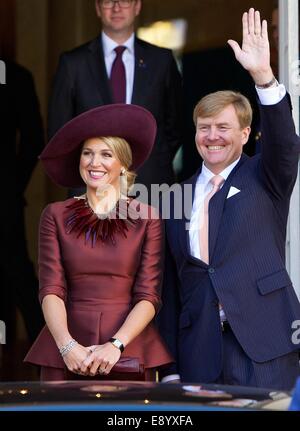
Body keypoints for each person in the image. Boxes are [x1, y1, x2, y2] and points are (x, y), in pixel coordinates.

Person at [158, 8, 300, 390]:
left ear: (246, 133)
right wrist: (170, 365)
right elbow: (171, 284)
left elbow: (285, 144)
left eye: (223, 127)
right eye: (204, 128)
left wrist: (263, 76)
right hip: (198, 352)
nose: (212, 136)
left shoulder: (266, 175)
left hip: (264, 344)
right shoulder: (175, 195)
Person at [24, 103, 173, 381]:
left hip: (128, 348)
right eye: (87, 154)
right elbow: (50, 289)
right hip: (65, 348)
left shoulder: (148, 217)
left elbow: (149, 295)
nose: (94, 163)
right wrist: (67, 345)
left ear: (123, 164)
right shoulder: (54, 215)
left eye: (106, 154)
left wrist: (116, 345)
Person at [48, 0, 182, 191]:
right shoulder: (73, 63)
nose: (117, 7)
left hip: (151, 184)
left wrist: (149, 160)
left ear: (137, 6)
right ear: (97, 8)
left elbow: (175, 126)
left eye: (125, 1)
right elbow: (59, 133)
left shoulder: (162, 61)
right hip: (91, 187)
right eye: (109, 1)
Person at [0, 60, 44, 348]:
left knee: (17, 274)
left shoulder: (15, 76)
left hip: (3, 199)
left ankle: (48, 362)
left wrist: (12, 187)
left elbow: (33, 140)